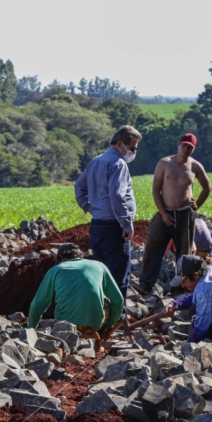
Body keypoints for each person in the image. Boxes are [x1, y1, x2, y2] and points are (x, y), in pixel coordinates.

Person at [135, 133, 212, 294]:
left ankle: (180, 289)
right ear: (178, 144)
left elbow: (207, 187)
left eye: (190, 147)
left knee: (184, 253)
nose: (186, 149)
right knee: (153, 246)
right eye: (184, 145)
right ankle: (145, 284)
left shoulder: (195, 166)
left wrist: (197, 204)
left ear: (193, 149)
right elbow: (156, 190)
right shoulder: (165, 163)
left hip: (185, 215)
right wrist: (163, 214)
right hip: (165, 213)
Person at [74, 125, 142, 299]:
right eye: (132, 148)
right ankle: (117, 319)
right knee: (118, 277)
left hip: (97, 225)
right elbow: (117, 196)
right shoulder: (118, 164)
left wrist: (91, 207)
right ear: (120, 144)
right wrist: (126, 224)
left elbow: (79, 187)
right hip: (114, 227)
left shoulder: (96, 161)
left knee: (100, 274)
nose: (134, 152)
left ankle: (100, 316)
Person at [28, 243, 124, 340]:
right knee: (104, 297)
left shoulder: (55, 270)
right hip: (93, 326)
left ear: (61, 258)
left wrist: (31, 329)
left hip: (65, 326)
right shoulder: (100, 266)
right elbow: (119, 300)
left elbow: (37, 304)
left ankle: (81, 336)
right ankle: (92, 333)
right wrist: (111, 324)